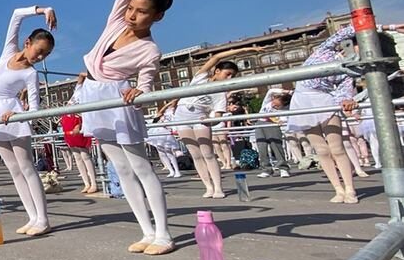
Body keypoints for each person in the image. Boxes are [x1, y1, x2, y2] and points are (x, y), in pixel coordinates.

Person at [74, 0, 209, 256]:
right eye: (131, 8)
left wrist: (140, 90)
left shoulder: (150, 49)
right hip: (92, 96)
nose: (133, 15)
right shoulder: (116, 20)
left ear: (157, 17)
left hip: (118, 98)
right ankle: (145, 230)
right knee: (120, 168)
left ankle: (163, 233)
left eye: (142, 12)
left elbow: (147, 82)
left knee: (140, 166)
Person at [286, 23, 404, 203]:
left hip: (325, 99)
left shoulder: (351, 69)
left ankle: (350, 188)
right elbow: (348, 29)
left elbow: (343, 92)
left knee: (337, 147)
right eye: (360, 46)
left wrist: (347, 102)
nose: (361, 50)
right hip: (301, 100)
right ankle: (338, 189)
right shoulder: (324, 51)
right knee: (321, 150)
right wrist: (391, 27)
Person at [0, 6, 57, 237]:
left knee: (27, 168)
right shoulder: (7, 52)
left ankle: (43, 218)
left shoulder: (31, 74)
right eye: (39, 51)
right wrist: (43, 10)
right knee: (14, 170)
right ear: (27, 43)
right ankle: (32, 217)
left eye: (46, 55)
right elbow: (15, 16)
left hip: (12, 115)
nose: (40, 57)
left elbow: (34, 108)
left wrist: (17, 115)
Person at [170, 46, 261, 198]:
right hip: (182, 118)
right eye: (228, 74)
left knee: (208, 154)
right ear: (217, 71)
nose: (229, 78)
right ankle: (208, 187)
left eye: (233, 76)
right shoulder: (200, 77)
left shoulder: (221, 93)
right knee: (196, 155)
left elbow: (218, 115)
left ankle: (218, 187)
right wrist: (245, 50)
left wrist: (210, 122)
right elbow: (216, 58)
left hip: (201, 119)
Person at [61, 74, 98, 192]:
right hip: (68, 123)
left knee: (84, 155)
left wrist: (81, 124)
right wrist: (89, 74)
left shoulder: (91, 94)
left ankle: (93, 183)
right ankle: (86, 183)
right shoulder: (79, 90)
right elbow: (81, 76)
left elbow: (90, 112)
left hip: (78, 123)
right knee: (76, 156)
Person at [255, 88, 292, 179]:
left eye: (277, 106)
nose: (274, 105)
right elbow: (270, 91)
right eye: (274, 103)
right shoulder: (268, 101)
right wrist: (284, 91)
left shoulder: (284, 110)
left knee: (276, 146)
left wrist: (279, 120)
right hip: (260, 123)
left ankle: (283, 168)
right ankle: (266, 169)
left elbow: (283, 120)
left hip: (272, 125)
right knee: (261, 147)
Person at [146, 102, 182, 178]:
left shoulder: (174, 111)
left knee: (169, 152)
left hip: (166, 132)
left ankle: (177, 170)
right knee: (162, 152)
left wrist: (172, 103)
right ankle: (171, 170)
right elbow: (159, 112)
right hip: (158, 132)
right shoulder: (164, 113)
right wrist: (166, 105)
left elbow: (174, 103)